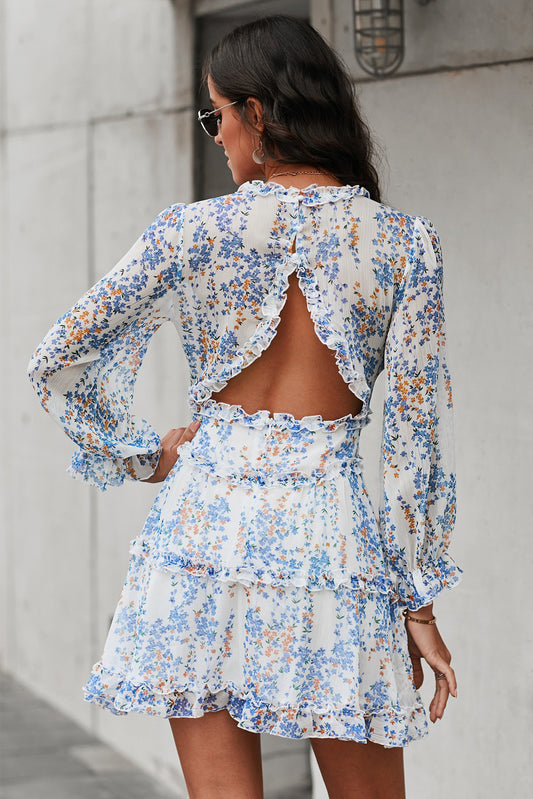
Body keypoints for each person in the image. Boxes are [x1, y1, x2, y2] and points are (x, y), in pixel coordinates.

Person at [28, 15, 460, 799]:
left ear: (255, 114)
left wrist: (145, 455)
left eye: (215, 115)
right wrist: (417, 602)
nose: (217, 135)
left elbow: (59, 359)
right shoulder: (403, 244)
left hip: (200, 531)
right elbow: (415, 442)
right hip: (328, 539)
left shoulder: (191, 232)